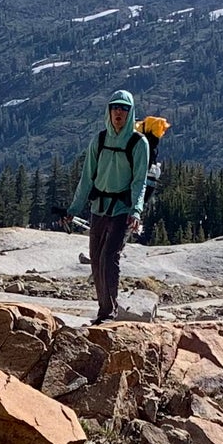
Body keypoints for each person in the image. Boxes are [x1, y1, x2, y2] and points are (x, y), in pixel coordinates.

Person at [69, 88, 152, 322]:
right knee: (95, 259)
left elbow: (139, 181)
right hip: (99, 207)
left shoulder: (139, 143)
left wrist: (136, 210)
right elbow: (87, 178)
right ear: (109, 110)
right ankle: (104, 308)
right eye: (115, 107)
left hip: (123, 210)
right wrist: (73, 210)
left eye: (124, 108)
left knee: (109, 257)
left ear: (131, 112)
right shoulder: (100, 139)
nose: (119, 112)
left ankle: (108, 312)